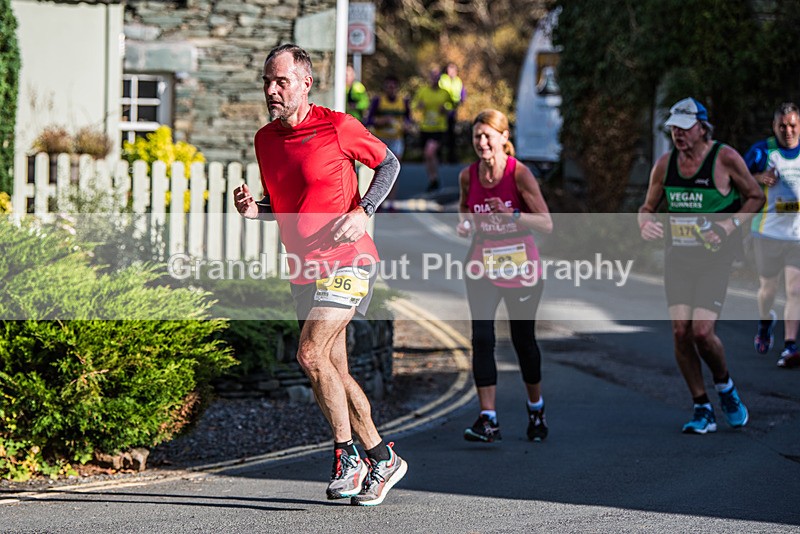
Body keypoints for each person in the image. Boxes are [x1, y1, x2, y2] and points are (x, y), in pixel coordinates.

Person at [233, 44, 406, 506]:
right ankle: (380, 457)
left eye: (281, 81)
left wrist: (365, 210)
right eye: (267, 81)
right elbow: (290, 204)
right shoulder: (265, 140)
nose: (271, 90)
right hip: (305, 267)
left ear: (306, 83)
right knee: (332, 369)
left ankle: (348, 455)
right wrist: (259, 209)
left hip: (349, 258)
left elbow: (389, 163)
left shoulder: (337, 126)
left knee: (309, 355)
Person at [639, 97, 764, 435]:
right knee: (681, 332)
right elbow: (647, 207)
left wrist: (728, 226)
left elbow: (756, 196)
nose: (678, 133)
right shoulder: (665, 165)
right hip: (678, 259)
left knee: (702, 332)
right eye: (674, 128)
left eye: (684, 126)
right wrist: (644, 223)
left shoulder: (724, 157)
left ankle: (724, 388)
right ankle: (701, 406)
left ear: (702, 127)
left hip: (713, 259)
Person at [455, 109, 553, 443]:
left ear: (504, 138)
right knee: (482, 339)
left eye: (487, 136)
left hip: (520, 265)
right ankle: (488, 419)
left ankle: (536, 408)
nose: (481, 143)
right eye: (476, 137)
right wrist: (465, 222)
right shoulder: (468, 175)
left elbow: (547, 223)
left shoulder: (520, 174)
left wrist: (512, 213)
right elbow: (466, 207)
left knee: (523, 341)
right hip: (482, 263)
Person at [746, 102, 800, 369]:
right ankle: (765, 320)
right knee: (768, 289)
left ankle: (790, 346)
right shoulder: (762, 151)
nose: (788, 131)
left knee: (795, 289)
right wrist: (758, 177)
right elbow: (738, 178)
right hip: (767, 231)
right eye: (782, 126)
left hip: (797, 236)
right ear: (774, 126)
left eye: (792, 125)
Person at [364, 74, 413, 211]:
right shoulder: (378, 101)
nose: (391, 89)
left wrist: (407, 125)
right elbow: (368, 120)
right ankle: (377, 201)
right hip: (381, 140)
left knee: (394, 169)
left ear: (397, 88)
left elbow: (409, 119)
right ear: (385, 87)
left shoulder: (403, 102)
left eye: (393, 87)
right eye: (388, 86)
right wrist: (380, 121)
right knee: (378, 171)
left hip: (396, 139)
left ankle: (391, 202)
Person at [413, 66, 452, 192]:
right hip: (425, 127)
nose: (435, 79)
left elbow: (453, 107)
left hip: (439, 127)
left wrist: (445, 110)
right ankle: (433, 179)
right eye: (433, 76)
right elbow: (414, 105)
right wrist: (420, 105)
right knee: (429, 155)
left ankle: (434, 178)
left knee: (429, 152)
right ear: (430, 77)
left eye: (437, 76)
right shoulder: (423, 91)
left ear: (440, 78)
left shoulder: (445, 93)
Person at [438, 62, 466, 164]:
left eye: (453, 70)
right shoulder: (443, 79)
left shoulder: (458, 81)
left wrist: (461, 101)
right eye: (450, 69)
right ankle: (440, 158)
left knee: (452, 136)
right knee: (441, 136)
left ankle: (452, 158)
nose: (451, 72)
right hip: (442, 112)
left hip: (453, 111)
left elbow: (462, 93)